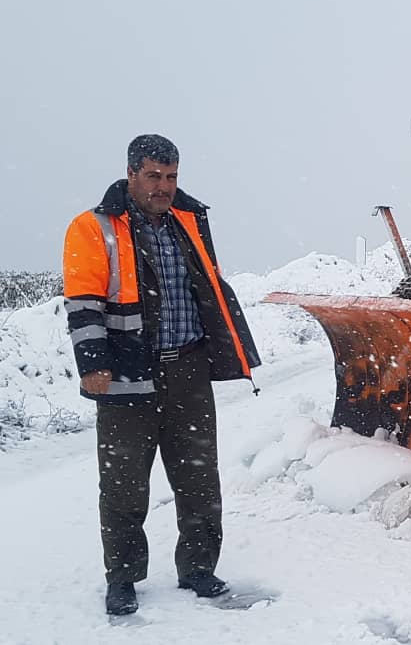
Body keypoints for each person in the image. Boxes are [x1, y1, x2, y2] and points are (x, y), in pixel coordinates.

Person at [62, 134, 261, 616]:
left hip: (188, 369)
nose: (163, 187)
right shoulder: (94, 228)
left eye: (171, 177)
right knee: (125, 484)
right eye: (153, 176)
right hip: (128, 372)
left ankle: (197, 568)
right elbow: (84, 301)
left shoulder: (186, 221)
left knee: (198, 479)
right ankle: (124, 577)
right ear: (131, 174)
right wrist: (94, 364)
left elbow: (205, 287)